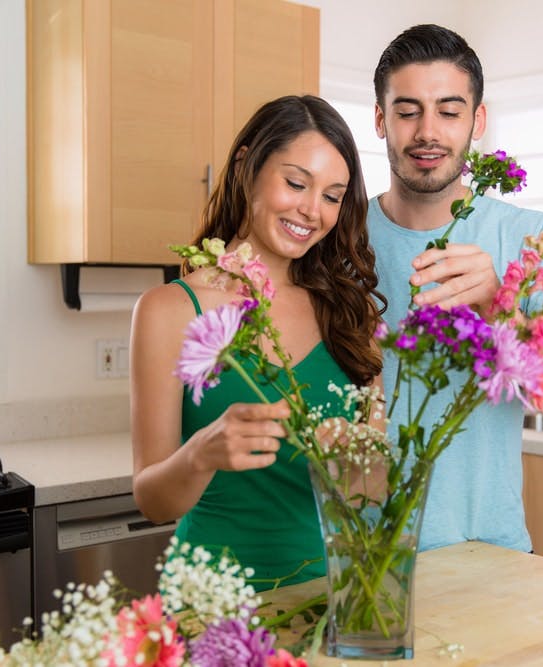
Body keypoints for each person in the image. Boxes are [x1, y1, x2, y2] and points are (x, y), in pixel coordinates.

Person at [129, 95, 384, 590]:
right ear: (247, 166)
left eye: (333, 196)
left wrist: (356, 459)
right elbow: (152, 501)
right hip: (211, 603)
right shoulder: (170, 309)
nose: (312, 210)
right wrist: (202, 453)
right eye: (296, 183)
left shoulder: (351, 314)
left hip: (333, 595)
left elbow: (370, 494)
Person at [368, 24, 543, 552]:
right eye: (408, 111)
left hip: (486, 554)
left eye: (449, 111)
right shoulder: (336, 239)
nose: (429, 132)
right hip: (359, 564)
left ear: (478, 119)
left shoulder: (535, 240)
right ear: (381, 120)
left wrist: (501, 311)